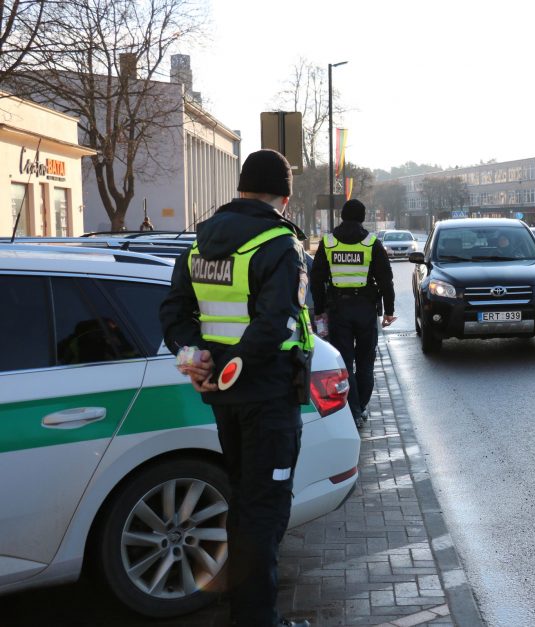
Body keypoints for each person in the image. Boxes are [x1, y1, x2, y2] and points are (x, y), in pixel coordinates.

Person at [159, 149, 312, 627]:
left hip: (224, 399)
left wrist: (196, 361)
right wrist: (236, 367)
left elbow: (173, 315)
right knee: (265, 510)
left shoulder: (199, 244)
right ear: (283, 197)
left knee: (245, 503)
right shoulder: (280, 246)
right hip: (267, 399)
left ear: (242, 189)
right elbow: (272, 327)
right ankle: (256, 618)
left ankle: (242, 609)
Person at [310, 198, 395, 428]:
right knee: (366, 362)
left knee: (346, 363)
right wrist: (389, 310)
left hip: (339, 310)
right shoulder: (371, 244)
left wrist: (319, 310)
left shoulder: (328, 243)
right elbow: (386, 280)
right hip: (366, 310)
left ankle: (355, 410)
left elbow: (316, 280)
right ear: (363, 217)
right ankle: (362, 405)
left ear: (342, 217)